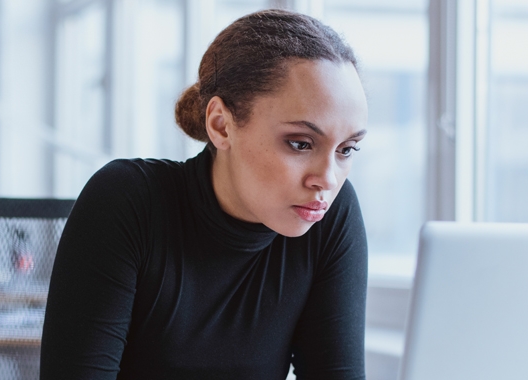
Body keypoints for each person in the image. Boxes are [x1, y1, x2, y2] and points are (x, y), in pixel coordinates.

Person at [41, 9, 369, 380]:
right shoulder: (126, 201)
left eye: (347, 150)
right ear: (221, 126)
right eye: (300, 143)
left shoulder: (332, 216)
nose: (326, 179)